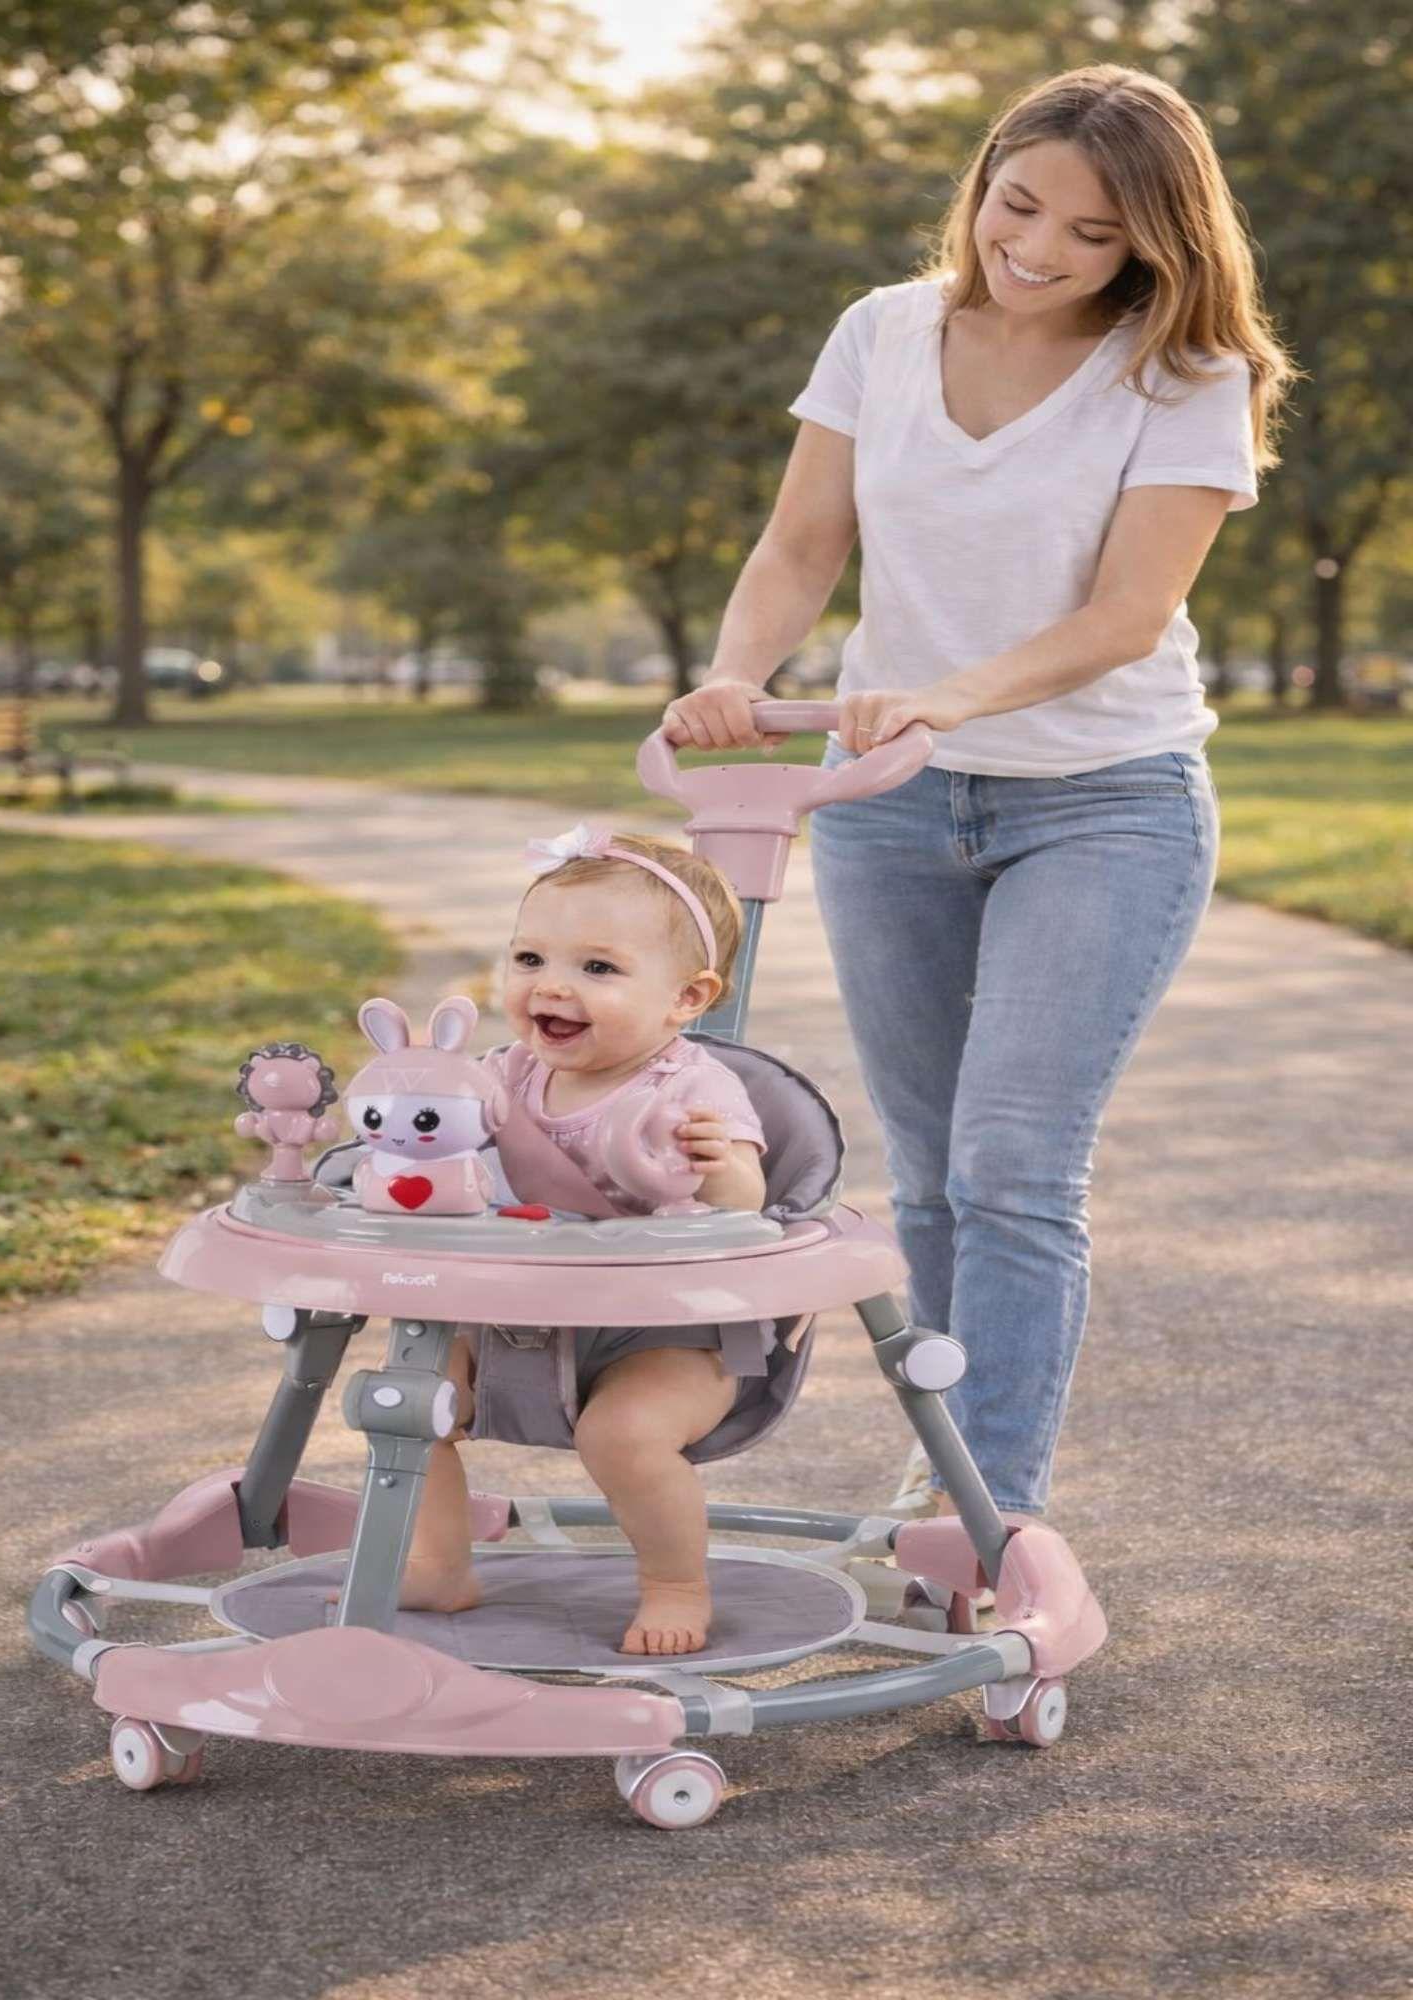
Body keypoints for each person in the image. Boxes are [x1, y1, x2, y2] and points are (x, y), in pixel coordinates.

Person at [660, 64, 1296, 1524]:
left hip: (1103, 802)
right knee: (934, 1176)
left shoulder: (1184, 377)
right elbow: (801, 542)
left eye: (1093, 231)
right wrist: (734, 679)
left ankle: (986, 1511)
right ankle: (942, 1467)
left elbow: (1129, 615)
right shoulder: (883, 331)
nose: (1041, 248)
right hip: (887, 805)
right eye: (1021, 205)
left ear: (1152, 243)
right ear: (984, 179)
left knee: (1015, 1165)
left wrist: (946, 693)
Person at [399, 828, 769, 1656]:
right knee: (406, 1398)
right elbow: (434, 1145)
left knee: (623, 1436)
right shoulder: (503, 1075)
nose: (550, 988)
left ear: (687, 998)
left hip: (665, 1329)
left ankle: (676, 1582)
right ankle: (436, 1561)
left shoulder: (695, 1088)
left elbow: (751, 1201)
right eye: (530, 959)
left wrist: (717, 1169)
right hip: (513, 1316)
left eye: (597, 969)